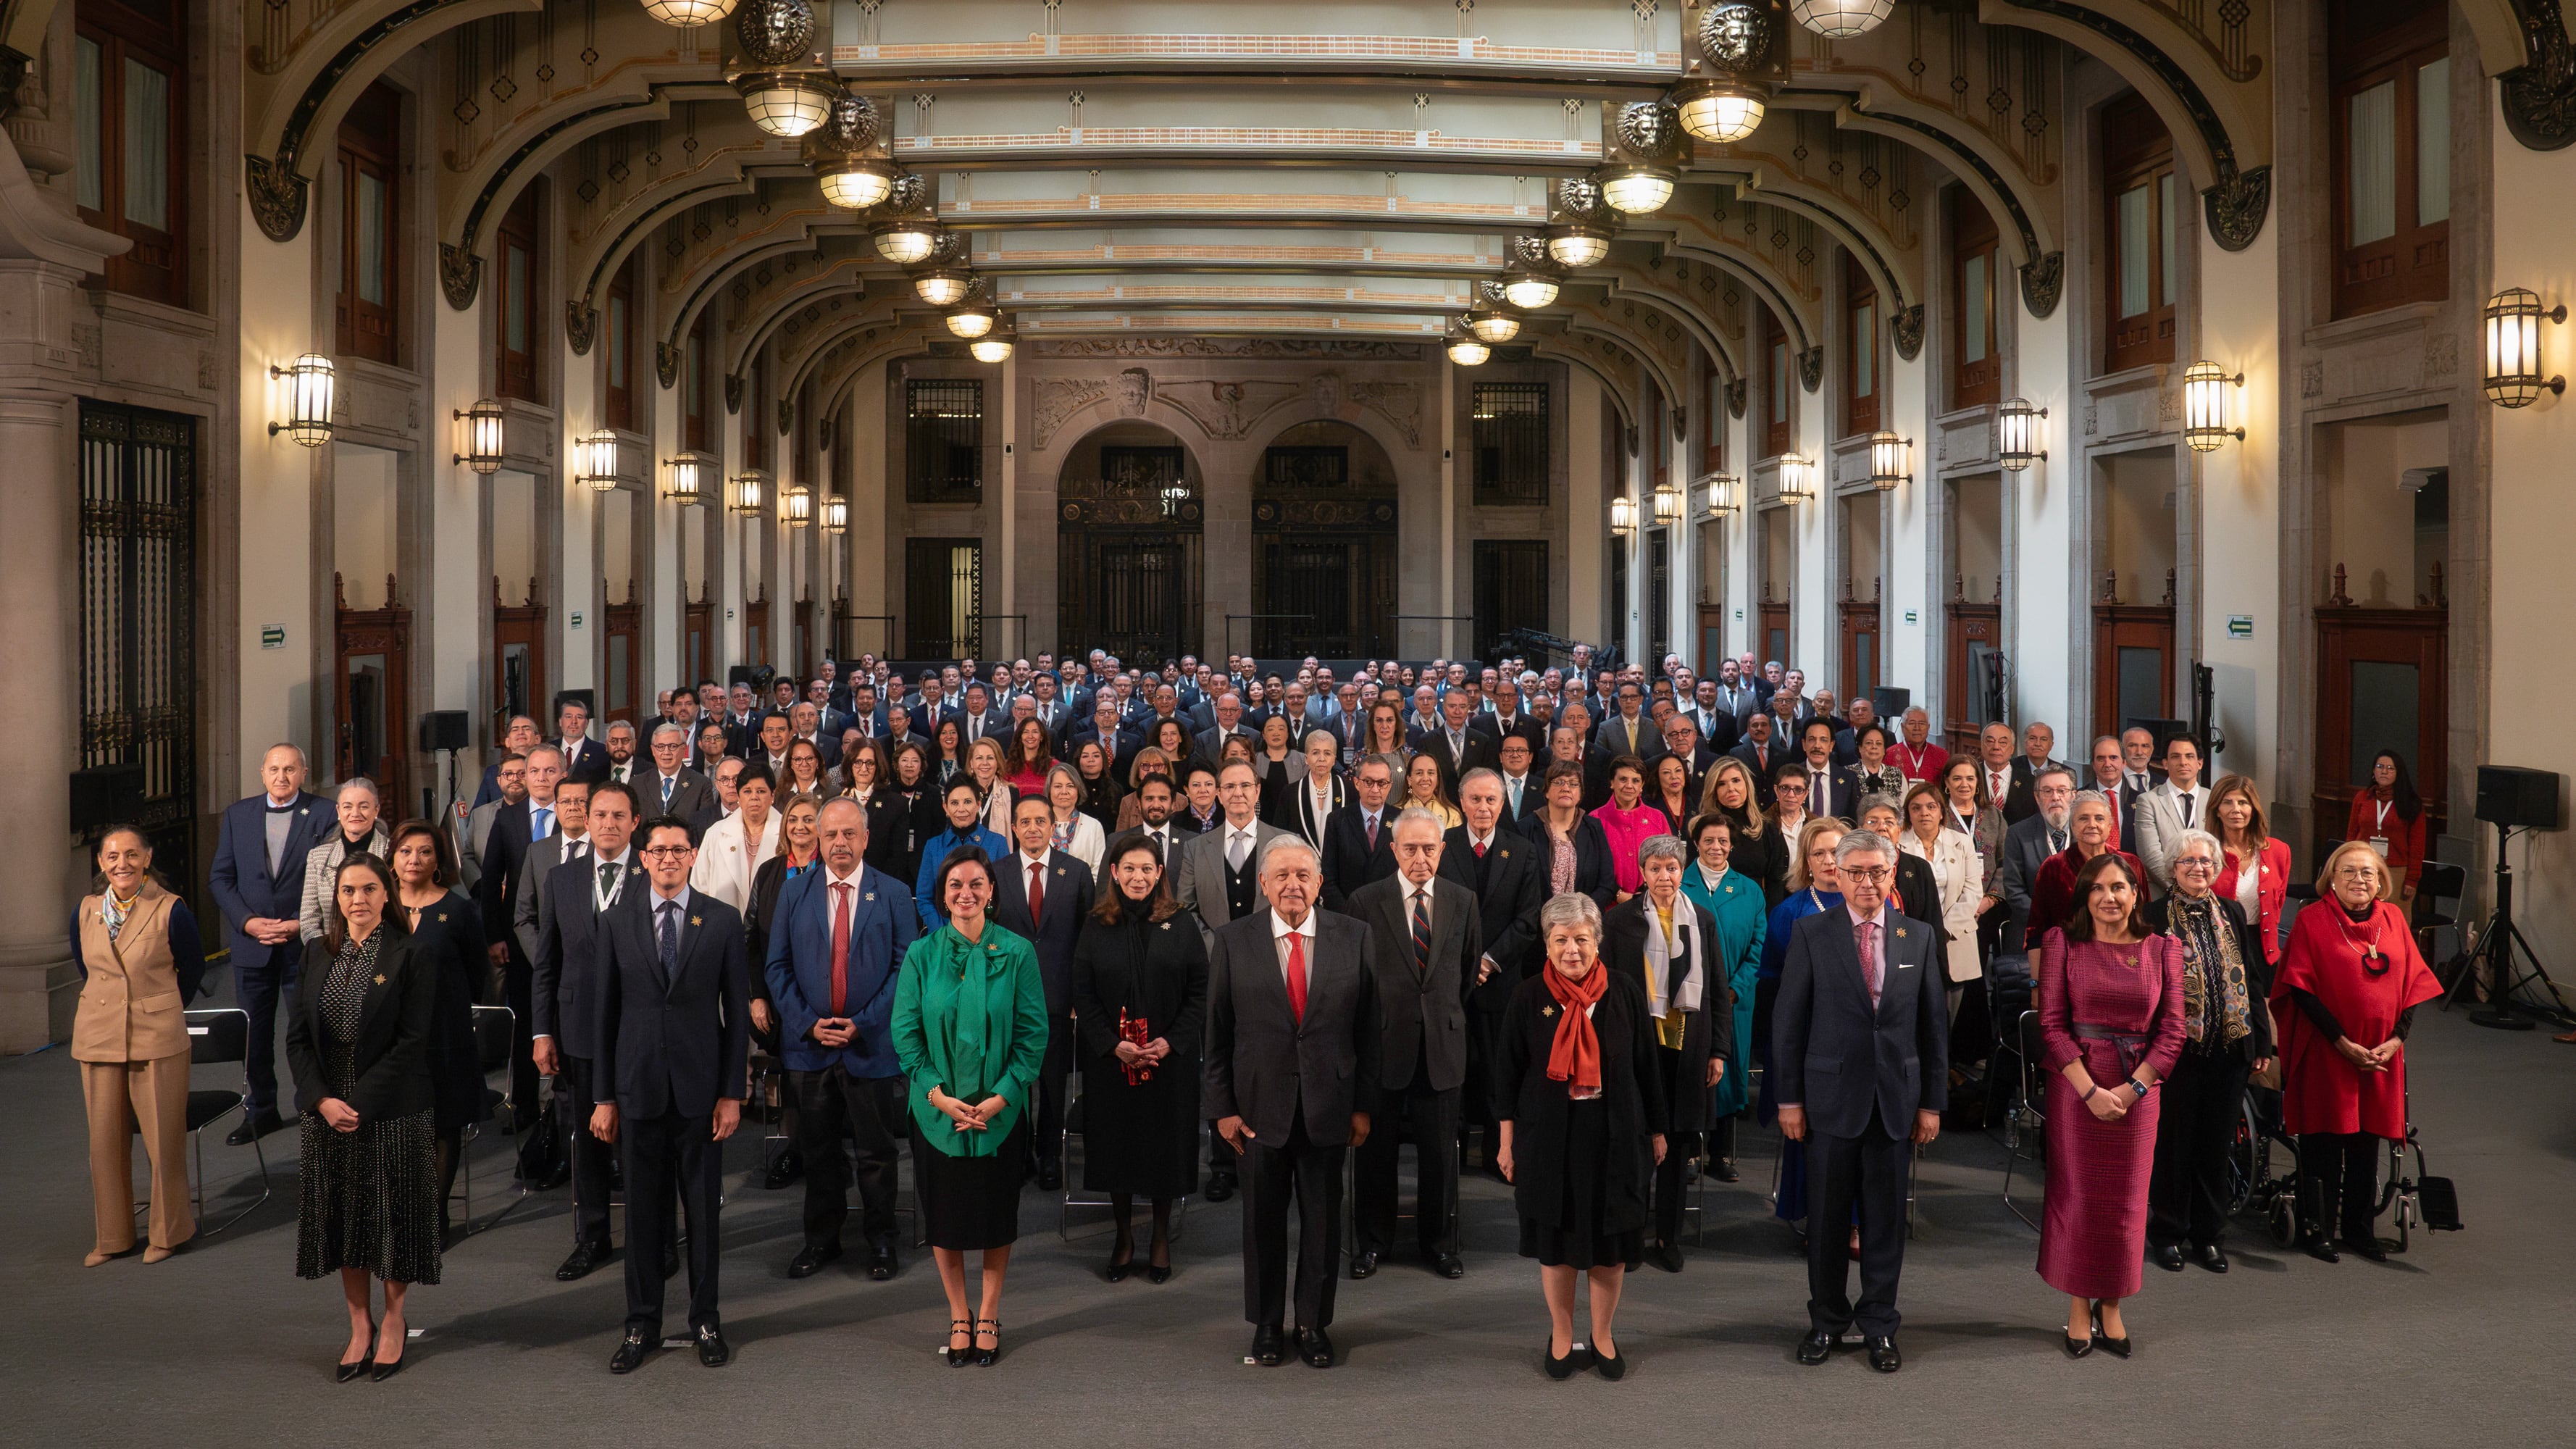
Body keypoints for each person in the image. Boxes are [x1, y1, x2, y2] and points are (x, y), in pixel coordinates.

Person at [1205, 836, 1381, 1369]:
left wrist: (1363, 1106)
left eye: (1303, 875)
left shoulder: (1355, 935)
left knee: (1323, 1225)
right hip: (1257, 1110)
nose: (1292, 885)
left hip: (1330, 1106)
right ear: (1263, 884)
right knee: (1262, 1223)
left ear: (1319, 882)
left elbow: (1369, 1030)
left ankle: (1312, 1324)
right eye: (1281, 876)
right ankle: (1266, 1325)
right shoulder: (1233, 940)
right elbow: (1217, 1033)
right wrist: (1222, 1109)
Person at [1774, 829, 1946, 1374]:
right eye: (1856, 872)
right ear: (1838, 875)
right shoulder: (1810, 932)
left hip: (1895, 1101)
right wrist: (1788, 1100)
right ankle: (1826, 1320)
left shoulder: (1918, 936)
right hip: (1828, 1100)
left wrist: (1932, 1103)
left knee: (1884, 1224)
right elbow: (1788, 1024)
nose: (1867, 882)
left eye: (1877, 871)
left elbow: (1933, 1026)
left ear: (1892, 875)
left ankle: (1879, 1325)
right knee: (1826, 1222)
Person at [591, 814, 751, 1373]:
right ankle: (641, 1324)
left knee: (703, 1216)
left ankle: (705, 1320)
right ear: (643, 859)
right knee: (641, 1217)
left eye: (678, 850)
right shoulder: (616, 922)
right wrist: (603, 1097)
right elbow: (604, 1015)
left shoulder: (722, 920)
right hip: (637, 1091)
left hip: (701, 1094)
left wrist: (732, 1093)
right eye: (657, 851)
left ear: (692, 856)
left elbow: (736, 1015)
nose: (667, 860)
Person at [1494, 892, 1669, 1379]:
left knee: (1610, 1245)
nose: (1572, 949)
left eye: (1581, 939)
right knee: (1557, 1243)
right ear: (1547, 944)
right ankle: (1561, 1333)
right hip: (1549, 1140)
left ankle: (1603, 1335)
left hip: (1616, 1137)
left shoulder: (1625, 990)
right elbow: (1506, 1076)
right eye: (1560, 940)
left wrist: (1658, 1130)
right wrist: (1506, 1143)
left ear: (1598, 941)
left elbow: (1647, 1067)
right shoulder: (1528, 996)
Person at [288, 852, 441, 1382]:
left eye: (369, 889)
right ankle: (359, 1325)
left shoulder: (411, 953)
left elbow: (413, 1041)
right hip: (327, 1111)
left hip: (392, 1108)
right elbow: (297, 1039)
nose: (358, 900)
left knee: (392, 1220)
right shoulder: (315, 953)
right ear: (336, 897)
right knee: (344, 1222)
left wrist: (359, 1104)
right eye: (349, 891)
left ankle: (394, 1320)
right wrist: (322, 1101)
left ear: (386, 894)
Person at [892, 847, 1049, 1367]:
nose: (966, 893)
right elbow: (906, 1034)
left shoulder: (1019, 952)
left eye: (976, 884)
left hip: (1001, 1111)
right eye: (955, 885)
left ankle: (990, 1312)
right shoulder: (921, 954)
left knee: (995, 1215)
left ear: (991, 892)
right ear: (942, 896)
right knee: (946, 1216)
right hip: (937, 1111)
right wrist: (938, 1095)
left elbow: (1033, 1034)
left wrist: (1001, 1097)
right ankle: (959, 1312)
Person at [2035, 853, 2185, 1357]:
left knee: (2126, 1205)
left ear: (2136, 894)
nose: (2108, 898)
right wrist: (2091, 1091)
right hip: (2077, 1087)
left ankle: (2112, 1303)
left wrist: (2131, 1091)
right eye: (2097, 888)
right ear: (2084, 895)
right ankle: (2080, 1304)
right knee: (2079, 1200)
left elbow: (2173, 1032)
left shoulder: (2163, 947)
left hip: (2137, 1091)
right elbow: (2051, 1026)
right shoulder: (2062, 943)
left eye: (2119, 887)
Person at [764, 797, 919, 1283]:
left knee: (876, 1153)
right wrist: (808, 1023)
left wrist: (865, 1022)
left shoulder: (893, 893)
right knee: (818, 1152)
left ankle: (882, 1240)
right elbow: (777, 966)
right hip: (810, 1048)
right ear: (817, 838)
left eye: (849, 834)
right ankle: (821, 1241)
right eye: (830, 834)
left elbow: (906, 968)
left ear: (866, 839)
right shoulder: (794, 892)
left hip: (870, 1046)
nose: (839, 843)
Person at [2271, 841, 2441, 1264]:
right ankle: (2318, 1228)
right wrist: (2342, 1042)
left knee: (2367, 1144)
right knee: (2325, 1141)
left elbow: (2414, 984)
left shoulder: (2394, 919)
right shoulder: (2312, 919)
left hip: (2381, 1056)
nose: (2358, 880)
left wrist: (2396, 1040)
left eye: (2368, 872)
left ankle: (2359, 1230)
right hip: (2327, 1049)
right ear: (2331, 878)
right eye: (2347, 871)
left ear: (2381, 880)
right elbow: (2299, 987)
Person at [1347, 809, 1481, 1280]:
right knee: (1376, 1154)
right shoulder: (1365, 901)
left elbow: (1466, 973)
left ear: (1442, 849)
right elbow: (1356, 981)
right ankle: (1373, 1244)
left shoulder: (1463, 900)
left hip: (1443, 1046)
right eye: (1410, 849)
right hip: (1383, 1047)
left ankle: (1439, 1245)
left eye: (1429, 848)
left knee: (1440, 1155)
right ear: (1394, 850)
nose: (1420, 858)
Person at [1071, 833, 1209, 1282]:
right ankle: (1124, 1236)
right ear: (1114, 873)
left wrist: (1170, 1042)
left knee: (1164, 1146)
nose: (1138, 877)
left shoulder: (1180, 922)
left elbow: (1199, 991)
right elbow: (1083, 994)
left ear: (1159, 873)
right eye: (1129, 868)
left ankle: (1161, 1236)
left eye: (1147, 869)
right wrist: (1113, 1044)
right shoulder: (1096, 924)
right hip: (1112, 1061)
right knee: (1119, 1146)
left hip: (1169, 1060)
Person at [530, 780, 653, 1280]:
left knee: (641, 1142)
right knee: (588, 1139)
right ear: (585, 819)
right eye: (599, 814)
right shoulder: (562, 878)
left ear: (635, 823)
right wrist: (541, 1031)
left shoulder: (653, 871)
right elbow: (547, 962)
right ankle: (593, 1237)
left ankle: (651, 1240)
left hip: (639, 1030)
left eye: (618, 816)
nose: (607, 824)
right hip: (577, 1027)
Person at [71, 826, 206, 1265]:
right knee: (104, 1144)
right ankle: (113, 1237)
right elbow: (86, 967)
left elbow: (193, 968)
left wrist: (158, 1007)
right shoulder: (86, 910)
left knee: (163, 1142)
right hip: (98, 1034)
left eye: (131, 854)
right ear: (101, 862)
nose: (122, 864)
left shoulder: (170, 909)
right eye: (112, 856)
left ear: (147, 858)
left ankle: (169, 1232)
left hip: (156, 1035)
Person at [2141, 829, 2275, 1273]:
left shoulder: (2232, 911)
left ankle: (2209, 1236)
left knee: (2217, 1148)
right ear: (2172, 869)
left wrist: (2261, 1039)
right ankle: (2168, 1233)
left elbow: (2251, 977)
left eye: (2206, 862)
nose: (2199, 868)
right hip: (2178, 1052)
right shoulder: (2153, 916)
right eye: (2189, 861)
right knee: (2175, 1146)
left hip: (2230, 1049)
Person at [1602, 835, 1727, 1272]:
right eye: (1655, 869)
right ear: (1642, 873)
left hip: (1688, 1049)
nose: (1664, 877)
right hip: (1638, 1049)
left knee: (1677, 1149)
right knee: (1636, 1146)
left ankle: (1667, 1237)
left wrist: (1718, 1050)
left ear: (1682, 871)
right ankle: (1630, 1234)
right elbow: (1607, 991)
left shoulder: (1703, 920)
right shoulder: (1619, 921)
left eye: (1672, 868)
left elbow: (1717, 989)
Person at [385, 820, 488, 1245]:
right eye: (406, 851)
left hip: (445, 1032)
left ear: (438, 860)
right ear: (392, 858)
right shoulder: (377, 905)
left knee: (443, 1126)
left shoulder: (458, 910)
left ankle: (435, 1214)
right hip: (389, 1037)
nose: (415, 860)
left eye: (425, 852)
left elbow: (477, 973)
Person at [1444, 769, 1546, 1181]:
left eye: (1491, 800)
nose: (1483, 808)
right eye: (1475, 799)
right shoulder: (1442, 845)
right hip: (1450, 981)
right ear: (1461, 802)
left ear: (1502, 804)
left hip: (1501, 983)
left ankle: (1494, 1154)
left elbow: (1529, 919)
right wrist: (1466, 964)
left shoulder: (1522, 851)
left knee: (1497, 1072)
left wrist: (1486, 963)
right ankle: (1448, 1156)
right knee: (1451, 1072)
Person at [992, 794, 1095, 1194]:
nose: (1033, 828)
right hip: (1007, 996)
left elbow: (1087, 939)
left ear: (1053, 827)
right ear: (1014, 828)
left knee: (1053, 1084)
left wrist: (1079, 996)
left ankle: (1050, 1154)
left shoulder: (1077, 871)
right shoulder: (996, 872)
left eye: (1041, 821)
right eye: (1025, 822)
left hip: (1058, 999)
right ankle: (1019, 1154)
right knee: (1013, 1080)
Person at [744, 790, 823, 1192]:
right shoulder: (770, 871)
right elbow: (751, 938)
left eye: (809, 819)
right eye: (793, 819)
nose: (800, 826)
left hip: (825, 994)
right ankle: (796, 1150)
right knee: (792, 1078)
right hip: (779, 996)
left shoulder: (833, 868)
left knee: (824, 1079)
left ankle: (824, 1152)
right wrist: (757, 994)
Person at [1680, 812, 1764, 1183]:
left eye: (1723, 841)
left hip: (1733, 1000)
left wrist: (1734, 989)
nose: (1716, 847)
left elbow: (1759, 947)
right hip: (1688, 999)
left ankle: (1720, 1155)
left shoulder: (1750, 890)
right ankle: (1688, 1153)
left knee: (1729, 1074)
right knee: (1691, 1072)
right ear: (1696, 844)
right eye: (1709, 840)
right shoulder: (1679, 884)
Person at [1895, 782, 1984, 1010]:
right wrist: (1923, 933)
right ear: (1908, 814)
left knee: (1950, 1016)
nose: (1924, 813)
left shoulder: (1962, 842)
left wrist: (1943, 930)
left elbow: (1973, 891)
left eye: (1931, 807)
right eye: (1916, 808)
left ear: (1941, 812)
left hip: (1953, 937)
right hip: (1911, 938)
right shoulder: (1897, 845)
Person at [2028, 790, 2138, 950]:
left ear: (2110, 826)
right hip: (2068, 953)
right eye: (2083, 818)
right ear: (2072, 826)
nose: (2092, 825)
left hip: (2125, 954)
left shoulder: (2131, 863)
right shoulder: (2053, 866)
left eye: (2099, 818)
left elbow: (2142, 918)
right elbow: (2037, 930)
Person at [297, 777, 392, 943]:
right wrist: (326, 953)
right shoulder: (318, 857)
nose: (355, 813)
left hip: (383, 951)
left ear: (376, 810)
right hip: (330, 950)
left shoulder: (392, 853)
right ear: (339, 811)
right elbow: (309, 922)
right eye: (348, 807)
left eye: (364, 806)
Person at [2209, 774, 2291, 967]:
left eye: (2243, 802)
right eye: (2227, 802)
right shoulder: (2206, 852)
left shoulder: (2279, 851)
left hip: (2263, 949)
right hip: (2218, 951)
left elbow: (2277, 904)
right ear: (2217, 810)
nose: (2236, 810)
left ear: (2253, 809)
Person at [1527, 759, 1618, 910]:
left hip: (1585, 917)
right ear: (1546, 791)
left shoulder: (1594, 828)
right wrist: (1548, 915)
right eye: (1558, 782)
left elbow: (1606, 884)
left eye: (1574, 784)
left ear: (1581, 793)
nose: (1566, 788)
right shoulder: (1527, 828)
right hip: (1539, 918)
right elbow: (1522, 885)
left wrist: (1582, 913)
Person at [2346, 750, 2429, 913]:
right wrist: (2348, 865)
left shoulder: (2411, 803)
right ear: (2373, 771)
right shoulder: (2362, 798)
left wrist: (2412, 879)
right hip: (2363, 867)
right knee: (2362, 915)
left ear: (2399, 773)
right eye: (2380, 767)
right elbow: (2351, 835)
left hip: (2396, 871)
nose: (2384, 771)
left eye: (2390, 768)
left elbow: (2417, 845)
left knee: (2393, 919)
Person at [692, 765, 782, 913]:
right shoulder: (716, 833)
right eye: (747, 791)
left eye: (761, 791)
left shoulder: (786, 833)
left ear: (773, 795)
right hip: (722, 922)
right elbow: (699, 890)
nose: (754, 797)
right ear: (739, 797)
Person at [2132, 735, 2212, 895]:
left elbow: (2220, 851)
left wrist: (2202, 886)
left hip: (2207, 892)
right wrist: (2183, 888)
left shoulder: (2213, 800)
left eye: (2189, 756)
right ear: (2165, 763)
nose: (2183, 762)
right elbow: (2151, 855)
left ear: (2200, 763)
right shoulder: (2149, 801)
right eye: (2176, 757)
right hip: (2165, 894)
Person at [1590, 757, 1665, 902]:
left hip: (1652, 902)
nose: (1629, 786)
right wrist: (1617, 894)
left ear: (1642, 785)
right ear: (1612, 783)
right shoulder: (1595, 819)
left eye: (1636, 781)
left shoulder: (1657, 818)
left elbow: (1668, 861)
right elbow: (1592, 867)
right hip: (1606, 905)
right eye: (1623, 780)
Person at [1037, 762, 1107, 873]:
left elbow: (1098, 869)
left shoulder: (1093, 826)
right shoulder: (1038, 825)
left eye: (1070, 786)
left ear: (1078, 790)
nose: (1064, 792)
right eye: (1058, 786)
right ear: (1049, 790)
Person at [1113, 746, 1176, 832]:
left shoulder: (1181, 800)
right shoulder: (1127, 801)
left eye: (1157, 765)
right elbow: (1120, 836)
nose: (1151, 770)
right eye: (1145, 766)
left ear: (1166, 770)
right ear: (1138, 772)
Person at [1399, 751, 1465, 832]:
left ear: (1437, 779)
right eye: (1419, 773)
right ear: (1409, 780)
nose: (1425, 778)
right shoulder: (1395, 813)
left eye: (1431, 773)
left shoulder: (1452, 815)